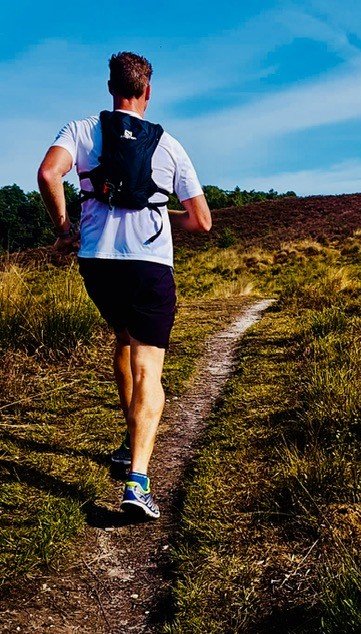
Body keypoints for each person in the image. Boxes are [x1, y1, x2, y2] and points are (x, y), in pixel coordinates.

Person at [38, 51, 212, 519]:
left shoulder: (81, 130)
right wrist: (158, 211)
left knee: (123, 338)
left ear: (110, 86)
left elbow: (48, 173)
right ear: (147, 91)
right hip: (149, 266)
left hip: (98, 264)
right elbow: (201, 221)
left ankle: (126, 438)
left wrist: (64, 230)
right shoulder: (169, 145)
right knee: (148, 368)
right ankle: (137, 481)